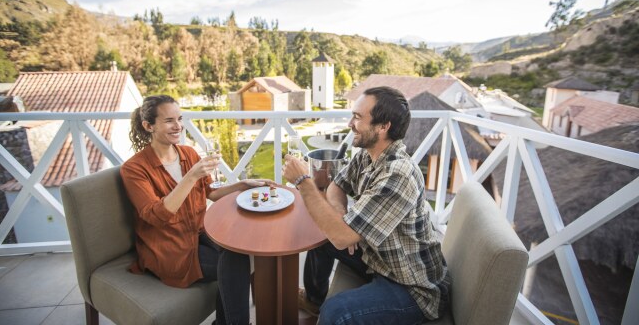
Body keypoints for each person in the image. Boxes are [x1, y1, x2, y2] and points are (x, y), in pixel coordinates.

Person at [282, 86, 450, 325]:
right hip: (378, 258)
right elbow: (336, 186)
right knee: (321, 236)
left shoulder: (397, 175)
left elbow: (342, 237)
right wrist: (340, 217)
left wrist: (303, 181)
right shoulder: (368, 153)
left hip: (411, 286)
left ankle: (323, 308)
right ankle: (313, 300)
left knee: (335, 312)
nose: (350, 123)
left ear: (383, 127)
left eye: (358, 117)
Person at [121, 95, 271, 325]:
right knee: (235, 265)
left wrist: (243, 185)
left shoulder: (188, 154)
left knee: (240, 249)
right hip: (168, 247)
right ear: (148, 126)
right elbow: (156, 215)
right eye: (169, 120)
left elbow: (210, 191)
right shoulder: (134, 169)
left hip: (200, 231)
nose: (178, 126)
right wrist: (191, 176)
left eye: (179, 119)